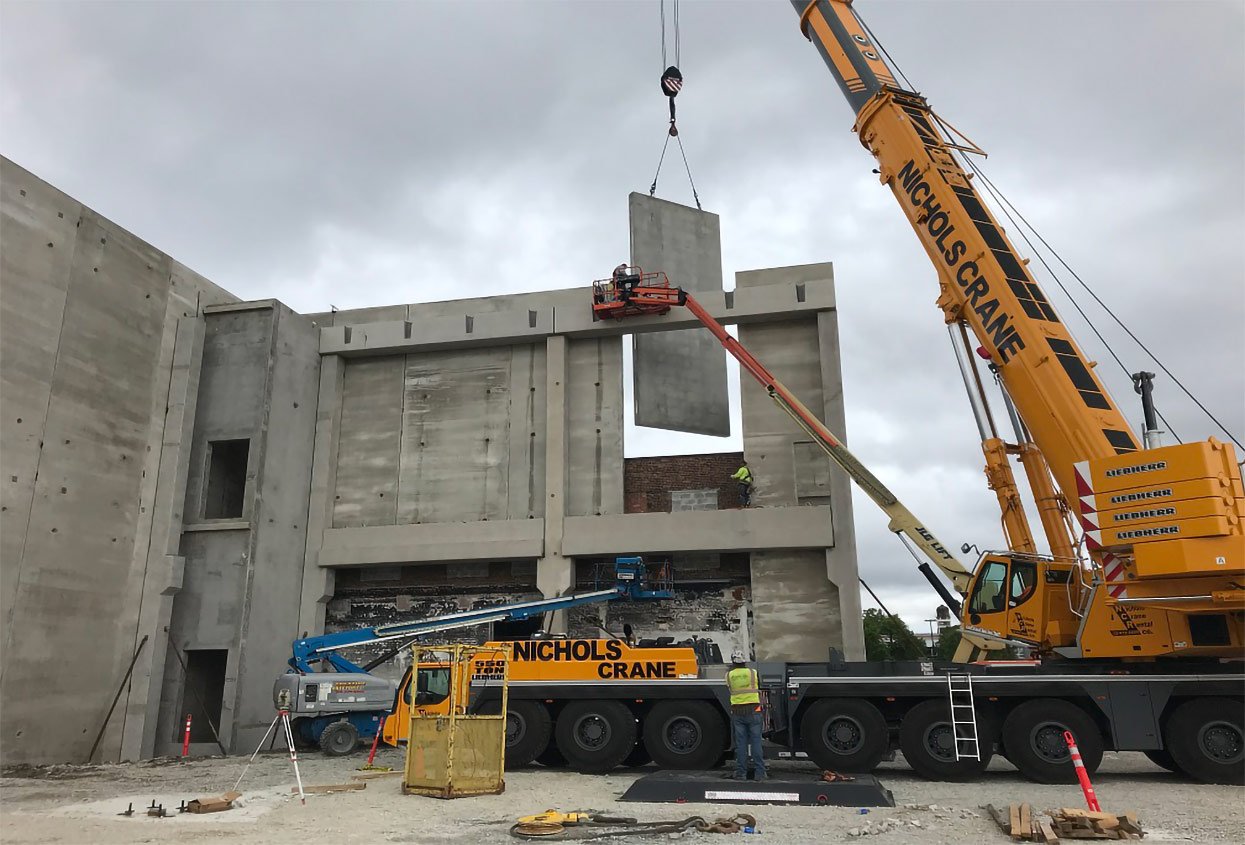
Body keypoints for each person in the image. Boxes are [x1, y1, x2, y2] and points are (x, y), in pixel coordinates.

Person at [724, 649, 766, 780]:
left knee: (741, 743)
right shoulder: (753, 673)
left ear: (733, 662)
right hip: (754, 711)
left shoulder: (728, 676)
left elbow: (729, 689)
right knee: (756, 742)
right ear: (744, 661)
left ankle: (741, 773)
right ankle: (759, 773)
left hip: (737, 712)